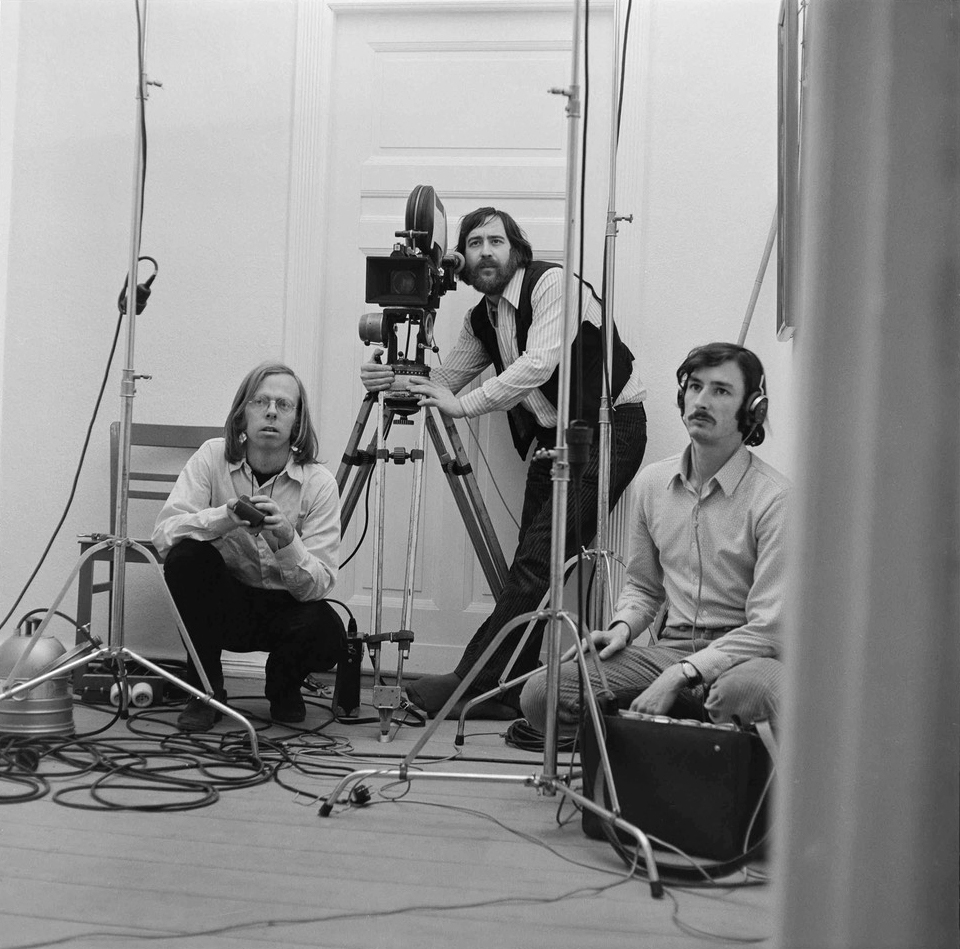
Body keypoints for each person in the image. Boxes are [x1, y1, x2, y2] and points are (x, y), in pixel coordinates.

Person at [360, 207, 648, 718]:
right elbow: (445, 381)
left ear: (516, 249)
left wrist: (465, 405)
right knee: (535, 565)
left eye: (496, 240)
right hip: (554, 440)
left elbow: (539, 363)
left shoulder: (551, 284)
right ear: (461, 260)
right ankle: (510, 687)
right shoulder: (483, 318)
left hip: (608, 430)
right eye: (474, 242)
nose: (486, 250)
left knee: (539, 559)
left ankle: (468, 682)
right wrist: (390, 380)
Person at [520, 342, 788, 733]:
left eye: (721, 391)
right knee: (541, 692)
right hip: (669, 650)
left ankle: (676, 727)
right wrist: (621, 628)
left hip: (746, 656)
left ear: (753, 410)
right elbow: (644, 589)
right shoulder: (652, 483)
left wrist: (682, 674)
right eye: (694, 387)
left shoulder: (776, 499)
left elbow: (769, 628)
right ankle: (668, 735)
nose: (702, 400)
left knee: (739, 695)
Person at [153, 361, 344, 730]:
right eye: (260, 402)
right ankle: (205, 690)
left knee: (328, 632)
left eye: (284, 405)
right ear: (242, 414)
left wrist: (288, 540)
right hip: (226, 607)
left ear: (297, 421)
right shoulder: (212, 456)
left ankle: (283, 686)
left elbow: (319, 585)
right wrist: (223, 517)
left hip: (286, 611)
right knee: (186, 558)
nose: (271, 411)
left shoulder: (319, 483)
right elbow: (164, 535)